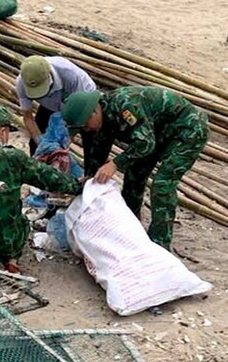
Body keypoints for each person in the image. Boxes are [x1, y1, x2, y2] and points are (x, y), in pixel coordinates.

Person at [63, 87, 210, 249]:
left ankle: (160, 243)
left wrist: (115, 164)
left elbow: (145, 143)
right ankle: (131, 226)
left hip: (188, 129)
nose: (86, 130)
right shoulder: (103, 119)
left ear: (94, 112)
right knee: (134, 175)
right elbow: (99, 150)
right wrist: (90, 177)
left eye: (85, 125)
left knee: (162, 184)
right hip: (159, 132)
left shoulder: (125, 106)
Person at [0, 106, 84, 271]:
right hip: (6, 244)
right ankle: (11, 260)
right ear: (2, 132)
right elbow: (51, 179)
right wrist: (78, 185)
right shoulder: (13, 158)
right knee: (24, 221)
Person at [15, 55, 97, 152]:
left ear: (49, 75)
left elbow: (78, 117)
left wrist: (66, 142)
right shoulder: (22, 83)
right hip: (50, 104)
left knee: (91, 141)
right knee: (35, 145)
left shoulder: (70, 75)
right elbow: (28, 118)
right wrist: (41, 143)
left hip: (83, 103)